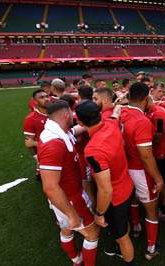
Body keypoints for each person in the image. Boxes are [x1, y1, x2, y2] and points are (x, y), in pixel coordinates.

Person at [38, 100, 100, 266]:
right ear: (66, 115)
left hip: (66, 196)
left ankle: (76, 260)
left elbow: (74, 129)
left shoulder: (59, 132)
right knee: (92, 233)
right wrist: (72, 214)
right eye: (71, 114)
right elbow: (50, 187)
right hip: (71, 199)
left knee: (66, 228)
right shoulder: (54, 144)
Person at [76, 101, 135, 266]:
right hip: (127, 187)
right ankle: (121, 246)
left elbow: (105, 190)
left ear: (80, 122)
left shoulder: (93, 150)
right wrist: (119, 103)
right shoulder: (110, 122)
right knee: (123, 227)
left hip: (115, 198)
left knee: (122, 237)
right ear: (100, 115)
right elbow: (116, 112)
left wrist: (99, 214)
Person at [120, 82, 164, 260]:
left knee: (133, 199)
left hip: (125, 167)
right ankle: (151, 248)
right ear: (146, 98)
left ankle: (136, 227)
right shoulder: (142, 121)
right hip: (140, 170)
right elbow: (146, 156)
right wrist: (159, 179)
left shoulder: (121, 112)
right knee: (152, 210)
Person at [146, 93, 165, 220]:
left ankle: (164, 209)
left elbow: (158, 137)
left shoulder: (158, 113)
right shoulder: (149, 111)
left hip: (160, 154)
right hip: (155, 153)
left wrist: (141, 134)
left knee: (160, 182)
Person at [23, 89, 50, 181]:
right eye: (42, 97)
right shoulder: (30, 119)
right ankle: (39, 172)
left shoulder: (56, 113)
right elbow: (29, 142)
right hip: (45, 156)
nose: (46, 99)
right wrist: (37, 158)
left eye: (47, 96)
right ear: (35, 101)